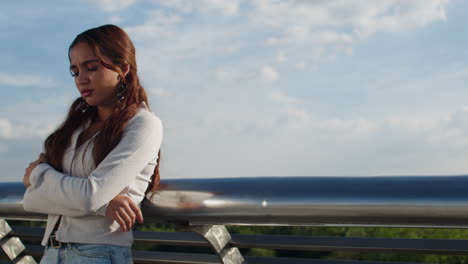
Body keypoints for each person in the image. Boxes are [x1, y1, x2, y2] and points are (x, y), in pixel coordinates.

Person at [22, 24, 163, 264]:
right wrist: (104, 205)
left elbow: (89, 196)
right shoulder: (77, 127)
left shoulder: (143, 125)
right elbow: (31, 200)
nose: (81, 79)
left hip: (98, 253)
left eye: (92, 67)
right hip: (52, 252)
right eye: (75, 71)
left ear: (123, 69)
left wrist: (38, 173)